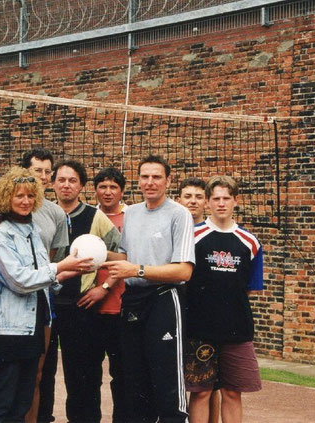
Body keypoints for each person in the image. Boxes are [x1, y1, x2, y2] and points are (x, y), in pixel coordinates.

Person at [0, 167, 93, 422]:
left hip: (34, 325)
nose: (25, 201)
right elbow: (18, 280)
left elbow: (42, 277)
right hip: (9, 329)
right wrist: (60, 267)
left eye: (31, 196)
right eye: (19, 196)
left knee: (22, 400)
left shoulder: (30, 228)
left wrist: (67, 273)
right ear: (7, 197)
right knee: (1, 401)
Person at [103, 154, 194, 423]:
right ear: (138, 180)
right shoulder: (130, 213)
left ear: (168, 180)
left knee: (167, 381)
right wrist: (94, 256)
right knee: (134, 380)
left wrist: (137, 270)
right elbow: (126, 258)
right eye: (145, 177)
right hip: (133, 300)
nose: (150, 182)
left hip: (165, 299)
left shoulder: (179, 214)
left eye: (156, 177)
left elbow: (184, 271)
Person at [181, 175, 263, 423]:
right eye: (215, 198)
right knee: (201, 391)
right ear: (207, 202)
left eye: (226, 198)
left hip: (237, 329)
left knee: (232, 392)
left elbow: (248, 287)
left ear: (236, 201)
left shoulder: (250, 242)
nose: (221, 203)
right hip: (199, 329)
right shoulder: (193, 236)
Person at [45, 159, 120, 423]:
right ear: (53, 183)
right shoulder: (42, 213)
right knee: (42, 373)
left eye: (73, 180)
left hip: (82, 306)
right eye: (61, 180)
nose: (66, 185)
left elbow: (122, 255)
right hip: (47, 305)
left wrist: (104, 285)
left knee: (84, 376)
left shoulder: (94, 216)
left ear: (81, 186)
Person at [20, 147, 69, 423]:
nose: (42, 176)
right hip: (9, 299)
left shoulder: (55, 213)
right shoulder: (5, 207)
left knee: (36, 372)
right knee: (0, 371)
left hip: (42, 299)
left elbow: (53, 260)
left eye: (46, 172)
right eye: (36, 170)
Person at [177, 177, 221, 423]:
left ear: (206, 201)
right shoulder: (172, 228)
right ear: (178, 199)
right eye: (187, 196)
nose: (192, 201)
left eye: (198, 197)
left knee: (208, 383)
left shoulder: (213, 233)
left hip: (203, 317)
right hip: (174, 312)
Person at [86, 167, 128, 422]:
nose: (108, 191)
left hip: (121, 308)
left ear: (122, 191)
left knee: (122, 376)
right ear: (96, 190)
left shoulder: (132, 217)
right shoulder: (89, 217)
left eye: (113, 187)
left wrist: (104, 287)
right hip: (90, 308)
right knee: (89, 376)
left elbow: (130, 259)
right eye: (103, 186)